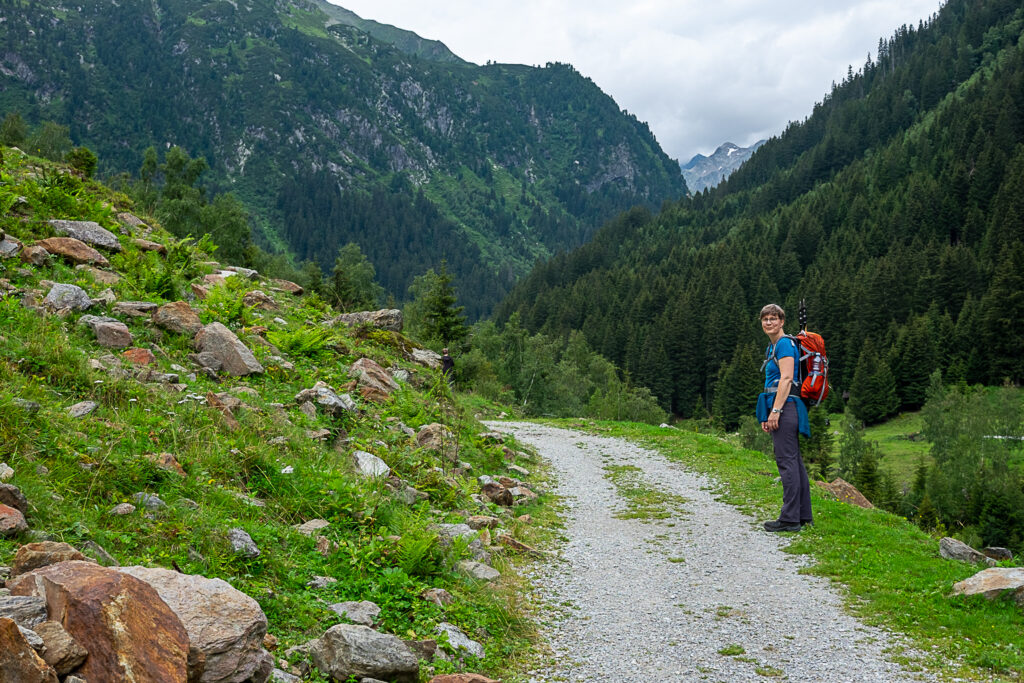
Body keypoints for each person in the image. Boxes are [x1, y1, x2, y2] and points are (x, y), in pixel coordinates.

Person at [756, 304, 812, 532]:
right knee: (794, 462)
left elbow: (787, 379)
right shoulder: (774, 347)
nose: (768, 323)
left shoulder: (785, 345)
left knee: (786, 463)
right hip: (782, 406)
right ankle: (803, 516)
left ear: (782, 321)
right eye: (765, 319)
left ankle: (789, 520)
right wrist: (767, 412)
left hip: (786, 407)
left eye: (773, 319)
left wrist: (775, 411)